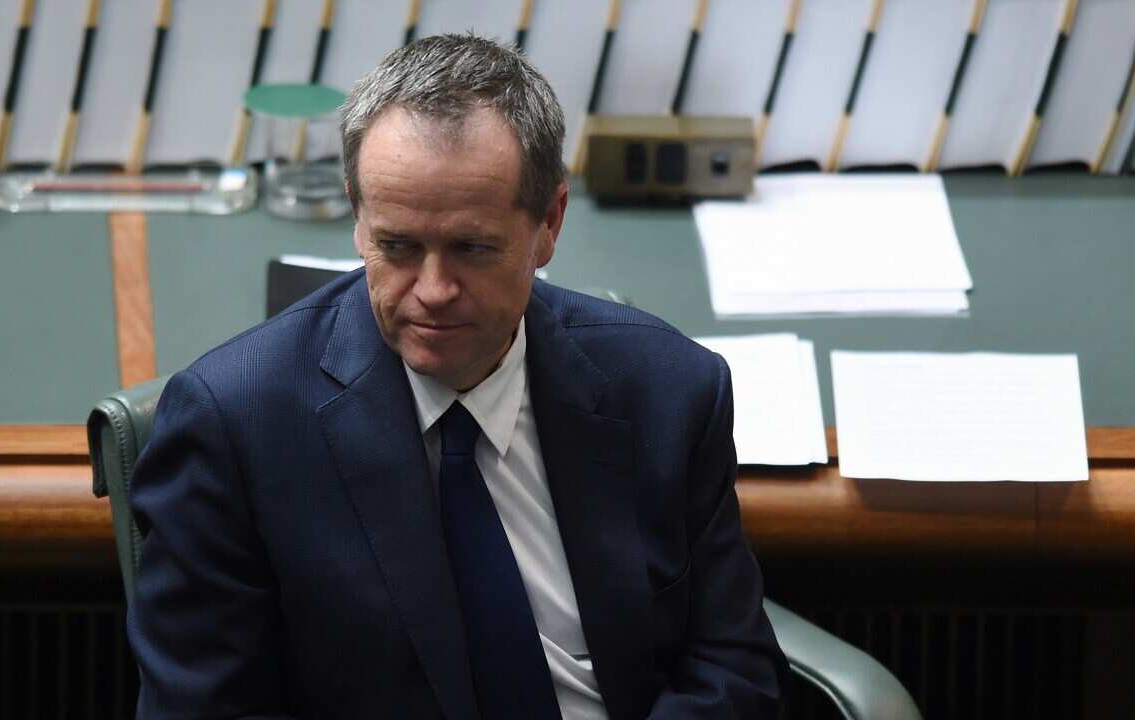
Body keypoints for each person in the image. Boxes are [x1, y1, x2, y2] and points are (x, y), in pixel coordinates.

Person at [129, 34, 786, 719]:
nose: (434, 290)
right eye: (398, 246)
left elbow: (732, 667)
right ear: (358, 215)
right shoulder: (232, 426)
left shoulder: (670, 391)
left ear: (549, 224)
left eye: (471, 248)